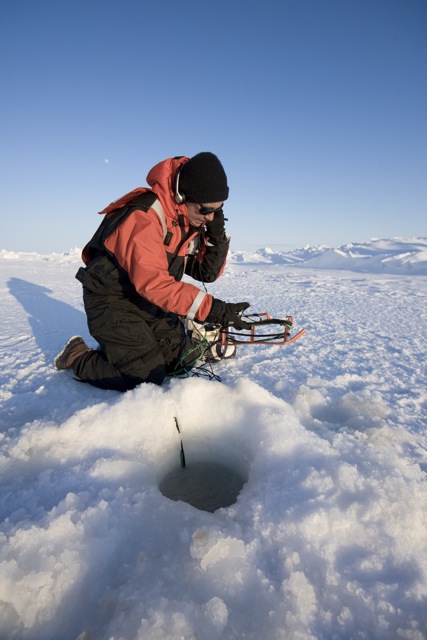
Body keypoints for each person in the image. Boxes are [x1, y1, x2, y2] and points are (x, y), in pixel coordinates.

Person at [55, 152, 251, 391]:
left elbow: (206, 273)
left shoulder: (186, 220)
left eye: (217, 211)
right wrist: (214, 310)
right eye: (205, 210)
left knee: (185, 358)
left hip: (146, 301)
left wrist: (216, 233)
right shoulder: (144, 217)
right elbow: (155, 284)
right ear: (182, 196)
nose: (209, 217)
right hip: (111, 300)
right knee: (145, 375)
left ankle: (132, 345)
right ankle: (77, 355)